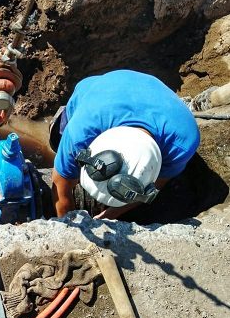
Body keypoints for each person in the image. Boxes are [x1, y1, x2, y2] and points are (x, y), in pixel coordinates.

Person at [49, 70, 200, 220]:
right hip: (97, 90)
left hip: (148, 92)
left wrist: (110, 215)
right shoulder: (80, 133)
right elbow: (60, 184)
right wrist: (72, 227)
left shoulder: (183, 144)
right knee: (58, 143)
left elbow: (156, 185)